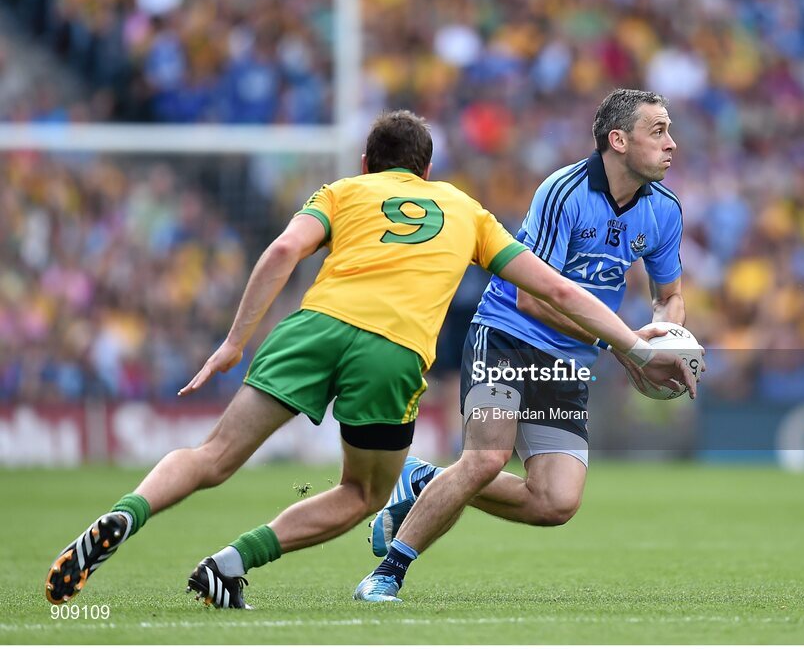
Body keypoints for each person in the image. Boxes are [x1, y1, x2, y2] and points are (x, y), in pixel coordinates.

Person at [44, 109, 693, 609]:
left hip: (312, 329)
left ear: (366, 160)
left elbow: (278, 254)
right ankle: (238, 560)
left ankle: (130, 515)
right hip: (392, 350)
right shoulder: (462, 209)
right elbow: (550, 288)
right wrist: (634, 347)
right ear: (427, 170)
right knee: (361, 492)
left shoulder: (342, 192)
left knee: (210, 457)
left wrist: (234, 342)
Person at [356, 89, 692, 603]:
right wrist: (625, 345)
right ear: (618, 140)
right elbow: (532, 298)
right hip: (509, 336)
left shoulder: (664, 211)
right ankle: (387, 574)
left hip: (570, 359)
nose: (672, 143)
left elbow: (669, 297)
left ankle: (423, 479)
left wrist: (664, 334)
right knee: (487, 458)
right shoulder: (564, 191)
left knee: (555, 502)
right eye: (659, 131)